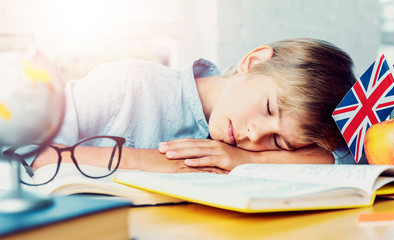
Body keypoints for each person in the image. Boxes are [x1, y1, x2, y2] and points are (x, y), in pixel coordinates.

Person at [31, 38, 356, 173]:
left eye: (277, 141)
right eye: (269, 108)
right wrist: (142, 160)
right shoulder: (127, 86)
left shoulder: (243, 150)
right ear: (254, 62)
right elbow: (21, 154)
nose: (255, 135)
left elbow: (348, 159)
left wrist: (241, 159)